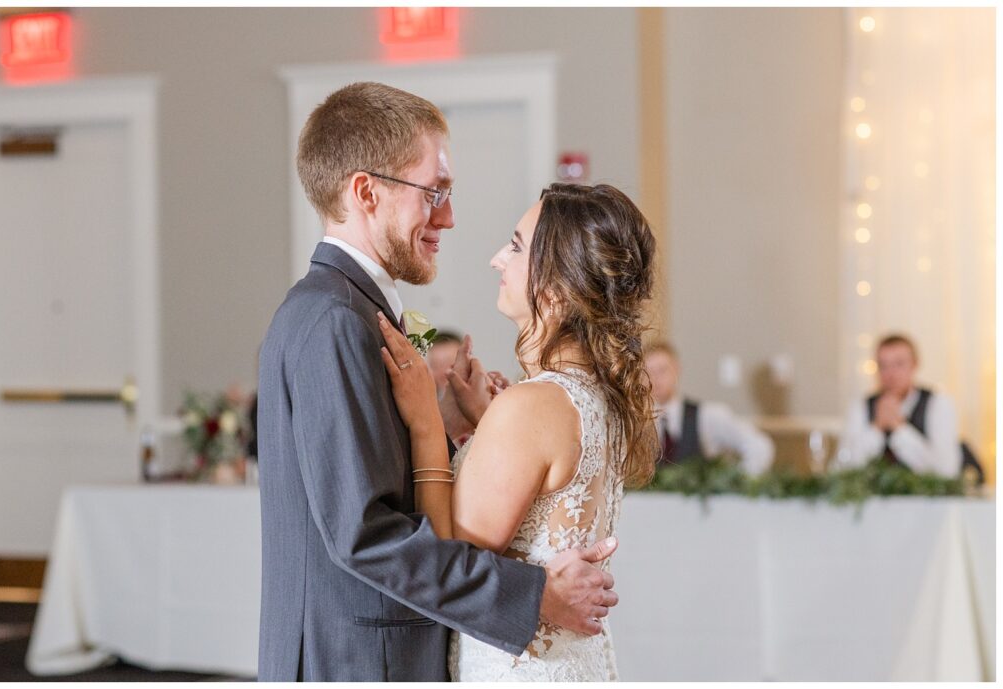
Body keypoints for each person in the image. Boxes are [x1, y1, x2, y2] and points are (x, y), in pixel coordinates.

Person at [256, 82, 619, 682]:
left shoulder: (349, 309)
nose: (449, 217)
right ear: (366, 192)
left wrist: (445, 424)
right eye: (435, 192)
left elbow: (371, 476)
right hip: (356, 663)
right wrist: (534, 598)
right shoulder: (332, 322)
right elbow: (364, 535)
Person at [377, 182, 658, 680]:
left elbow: (448, 558)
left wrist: (426, 420)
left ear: (556, 287)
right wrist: (486, 423)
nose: (496, 260)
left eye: (515, 246)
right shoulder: (598, 397)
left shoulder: (531, 406)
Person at [837, 333, 962, 477]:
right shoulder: (861, 406)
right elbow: (843, 469)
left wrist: (899, 428)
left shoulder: (938, 404)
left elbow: (947, 471)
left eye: (899, 364)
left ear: (915, 364)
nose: (890, 374)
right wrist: (877, 428)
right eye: (883, 366)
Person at [643, 342, 774, 476]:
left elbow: (760, 447)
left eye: (662, 370)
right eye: (649, 372)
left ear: (677, 370)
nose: (655, 379)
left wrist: (737, 482)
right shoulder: (637, 423)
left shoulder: (707, 416)